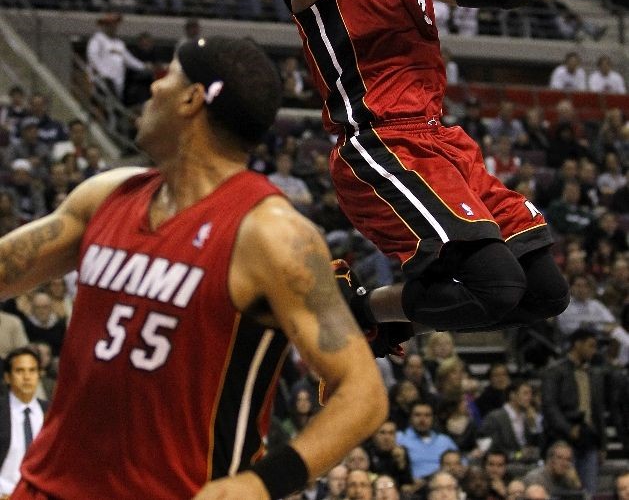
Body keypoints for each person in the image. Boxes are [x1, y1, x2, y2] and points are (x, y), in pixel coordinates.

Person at [0, 36, 388, 500]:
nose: (153, 87)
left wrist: (263, 484)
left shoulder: (271, 234)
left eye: (167, 76)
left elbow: (363, 393)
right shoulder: (108, 195)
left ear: (192, 98)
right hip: (45, 488)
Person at [282, 0, 569, 348]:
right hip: (379, 142)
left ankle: (364, 311)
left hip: (441, 141)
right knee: (497, 284)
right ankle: (358, 312)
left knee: (544, 292)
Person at [540, 329, 605, 497]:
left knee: (588, 493)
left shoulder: (593, 373)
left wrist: (602, 443)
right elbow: (549, 406)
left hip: (589, 438)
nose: (594, 351)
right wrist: (568, 429)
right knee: (561, 491)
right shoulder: (555, 371)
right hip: (562, 440)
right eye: (590, 346)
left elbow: (597, 410)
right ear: (577, 344)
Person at [0, 347, 48, 498]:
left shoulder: (52, 413)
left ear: (39, 374)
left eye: (32, 370)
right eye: (20, 371)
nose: (27, 377)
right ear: (7, 377)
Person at [86, 12, 149, 100]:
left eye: (115, 24)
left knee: (114, 107)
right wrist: (102, 73)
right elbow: (92, 57)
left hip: (117, 82)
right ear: (104, 25)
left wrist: (143, 66)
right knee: (102, 105)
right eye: (110, 24)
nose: (113, 26)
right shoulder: (97, 39)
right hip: (103, 80)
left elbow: (129, 60)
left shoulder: (119, 43)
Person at [478, 379, 541, 463]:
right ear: (513, 395)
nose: (530, 397)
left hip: (527, 462)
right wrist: (519, 455)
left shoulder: (528, 417)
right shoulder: (495, 417)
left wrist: (533, 424)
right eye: (525, 393)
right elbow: (492, 449)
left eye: (530, 393)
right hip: (505, 464)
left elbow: (535, 445)